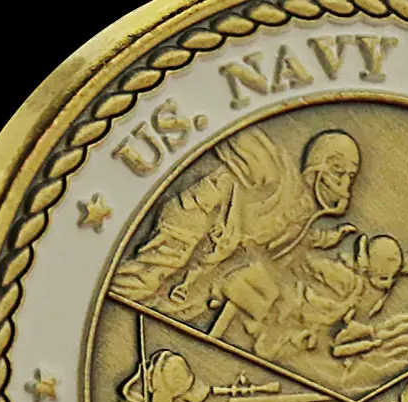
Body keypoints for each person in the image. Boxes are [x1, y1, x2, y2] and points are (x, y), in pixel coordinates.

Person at [112, 127, 361, 319]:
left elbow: (295, 235)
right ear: (317, 167)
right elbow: (234, 141)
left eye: (350, 176)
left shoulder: (303, 211)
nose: (344, 184)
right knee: (144, 279)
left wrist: (333, 236)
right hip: (192, 218)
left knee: (180, 305)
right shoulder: (276, 175)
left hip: (211, 257)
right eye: (338, 171)